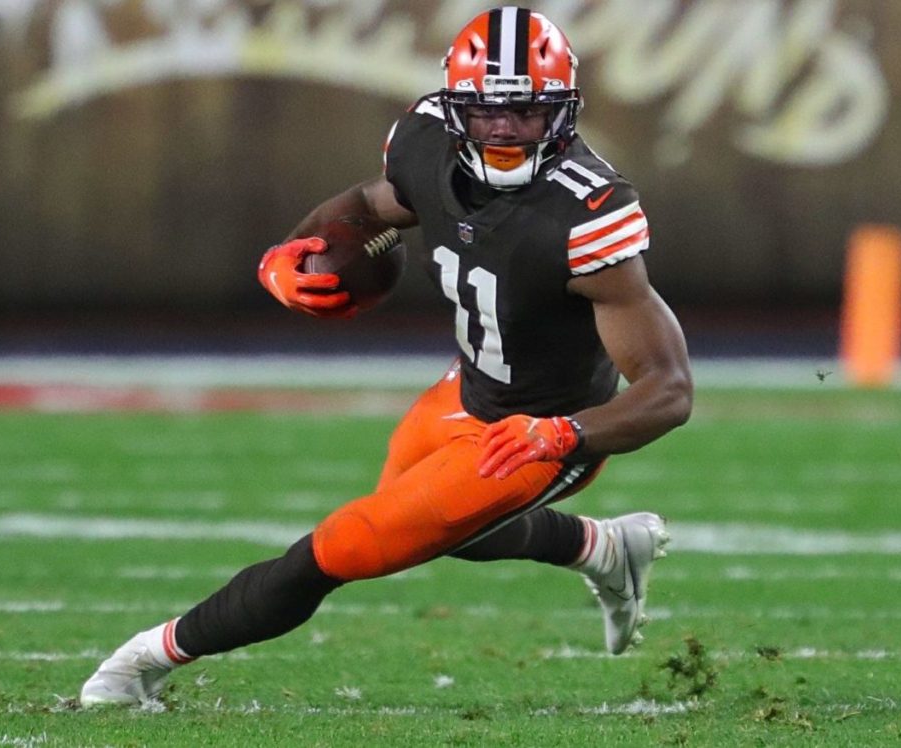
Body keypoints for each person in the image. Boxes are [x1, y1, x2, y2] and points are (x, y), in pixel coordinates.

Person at [80, 5, 692, 707]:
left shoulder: (588, 212)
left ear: (561, 111)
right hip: (469, 389)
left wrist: (564, 434)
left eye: (525, 110)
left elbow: (669, 389)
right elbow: (369, 206)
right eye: (484, 110)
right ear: (455, 107)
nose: (502, 128)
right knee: (438, 526)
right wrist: (289, 254)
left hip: (535, 435)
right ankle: (602, 548)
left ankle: (141, 662)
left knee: (345, 545)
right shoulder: (427, 140)